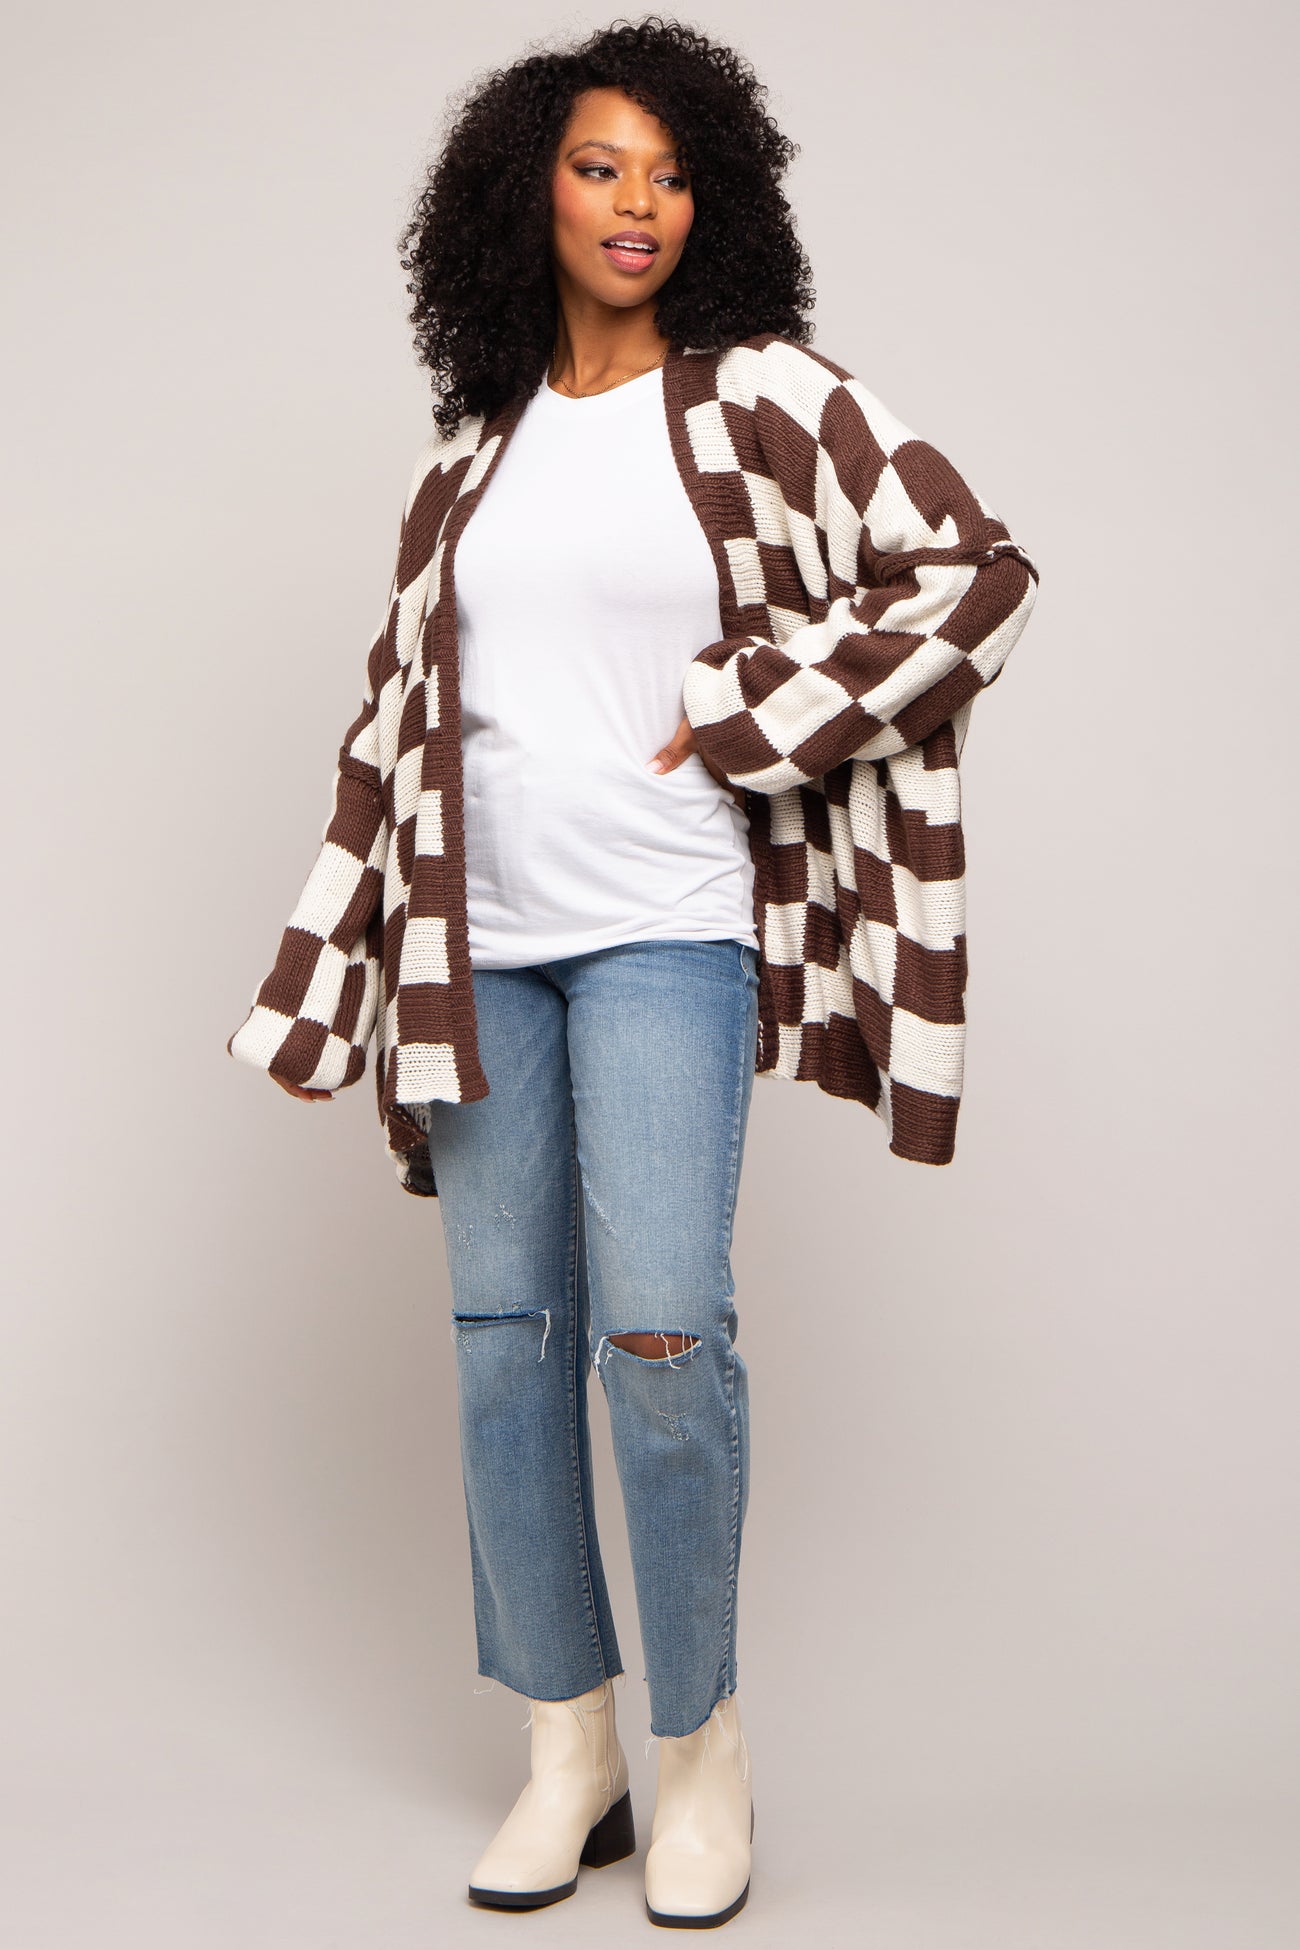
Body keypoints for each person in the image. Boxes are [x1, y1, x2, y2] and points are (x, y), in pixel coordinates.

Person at [226, 17, 1040, 1930]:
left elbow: (972, 572)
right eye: (600, 166)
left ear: (714, 205)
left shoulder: (760, 398)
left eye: (670, 175)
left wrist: (749, 702)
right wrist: (342, 957)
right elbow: (395, 722)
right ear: (528, 190)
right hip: (480, 951)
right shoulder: (469, 456)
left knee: (663, 1338)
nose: (637, 203)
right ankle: (567, 1747)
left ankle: (703, 1750)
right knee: (504, 1346)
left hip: (670, 924)